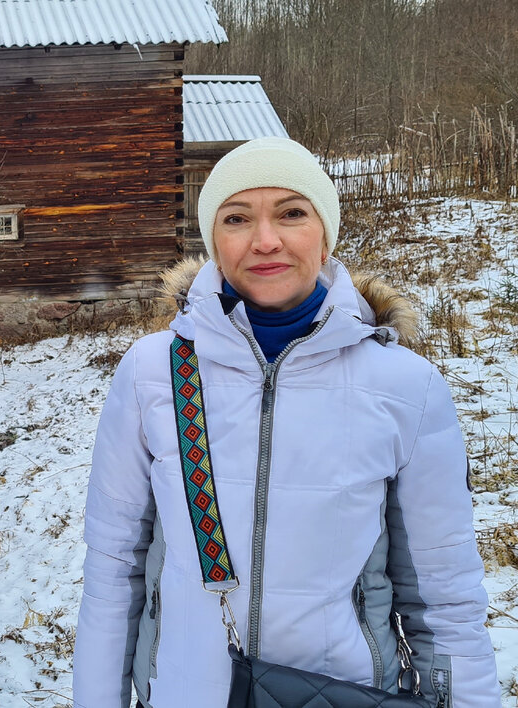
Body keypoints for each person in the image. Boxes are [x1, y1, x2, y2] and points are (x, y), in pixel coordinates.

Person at [72, 137, 500, 708]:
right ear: (214, 241)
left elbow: (444, 597)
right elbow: (112, 570)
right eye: (237, 217)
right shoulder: (152, 374)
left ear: (325, 235)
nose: (265, 240)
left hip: (341, 694)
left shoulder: (406, 387)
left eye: (292, 213)